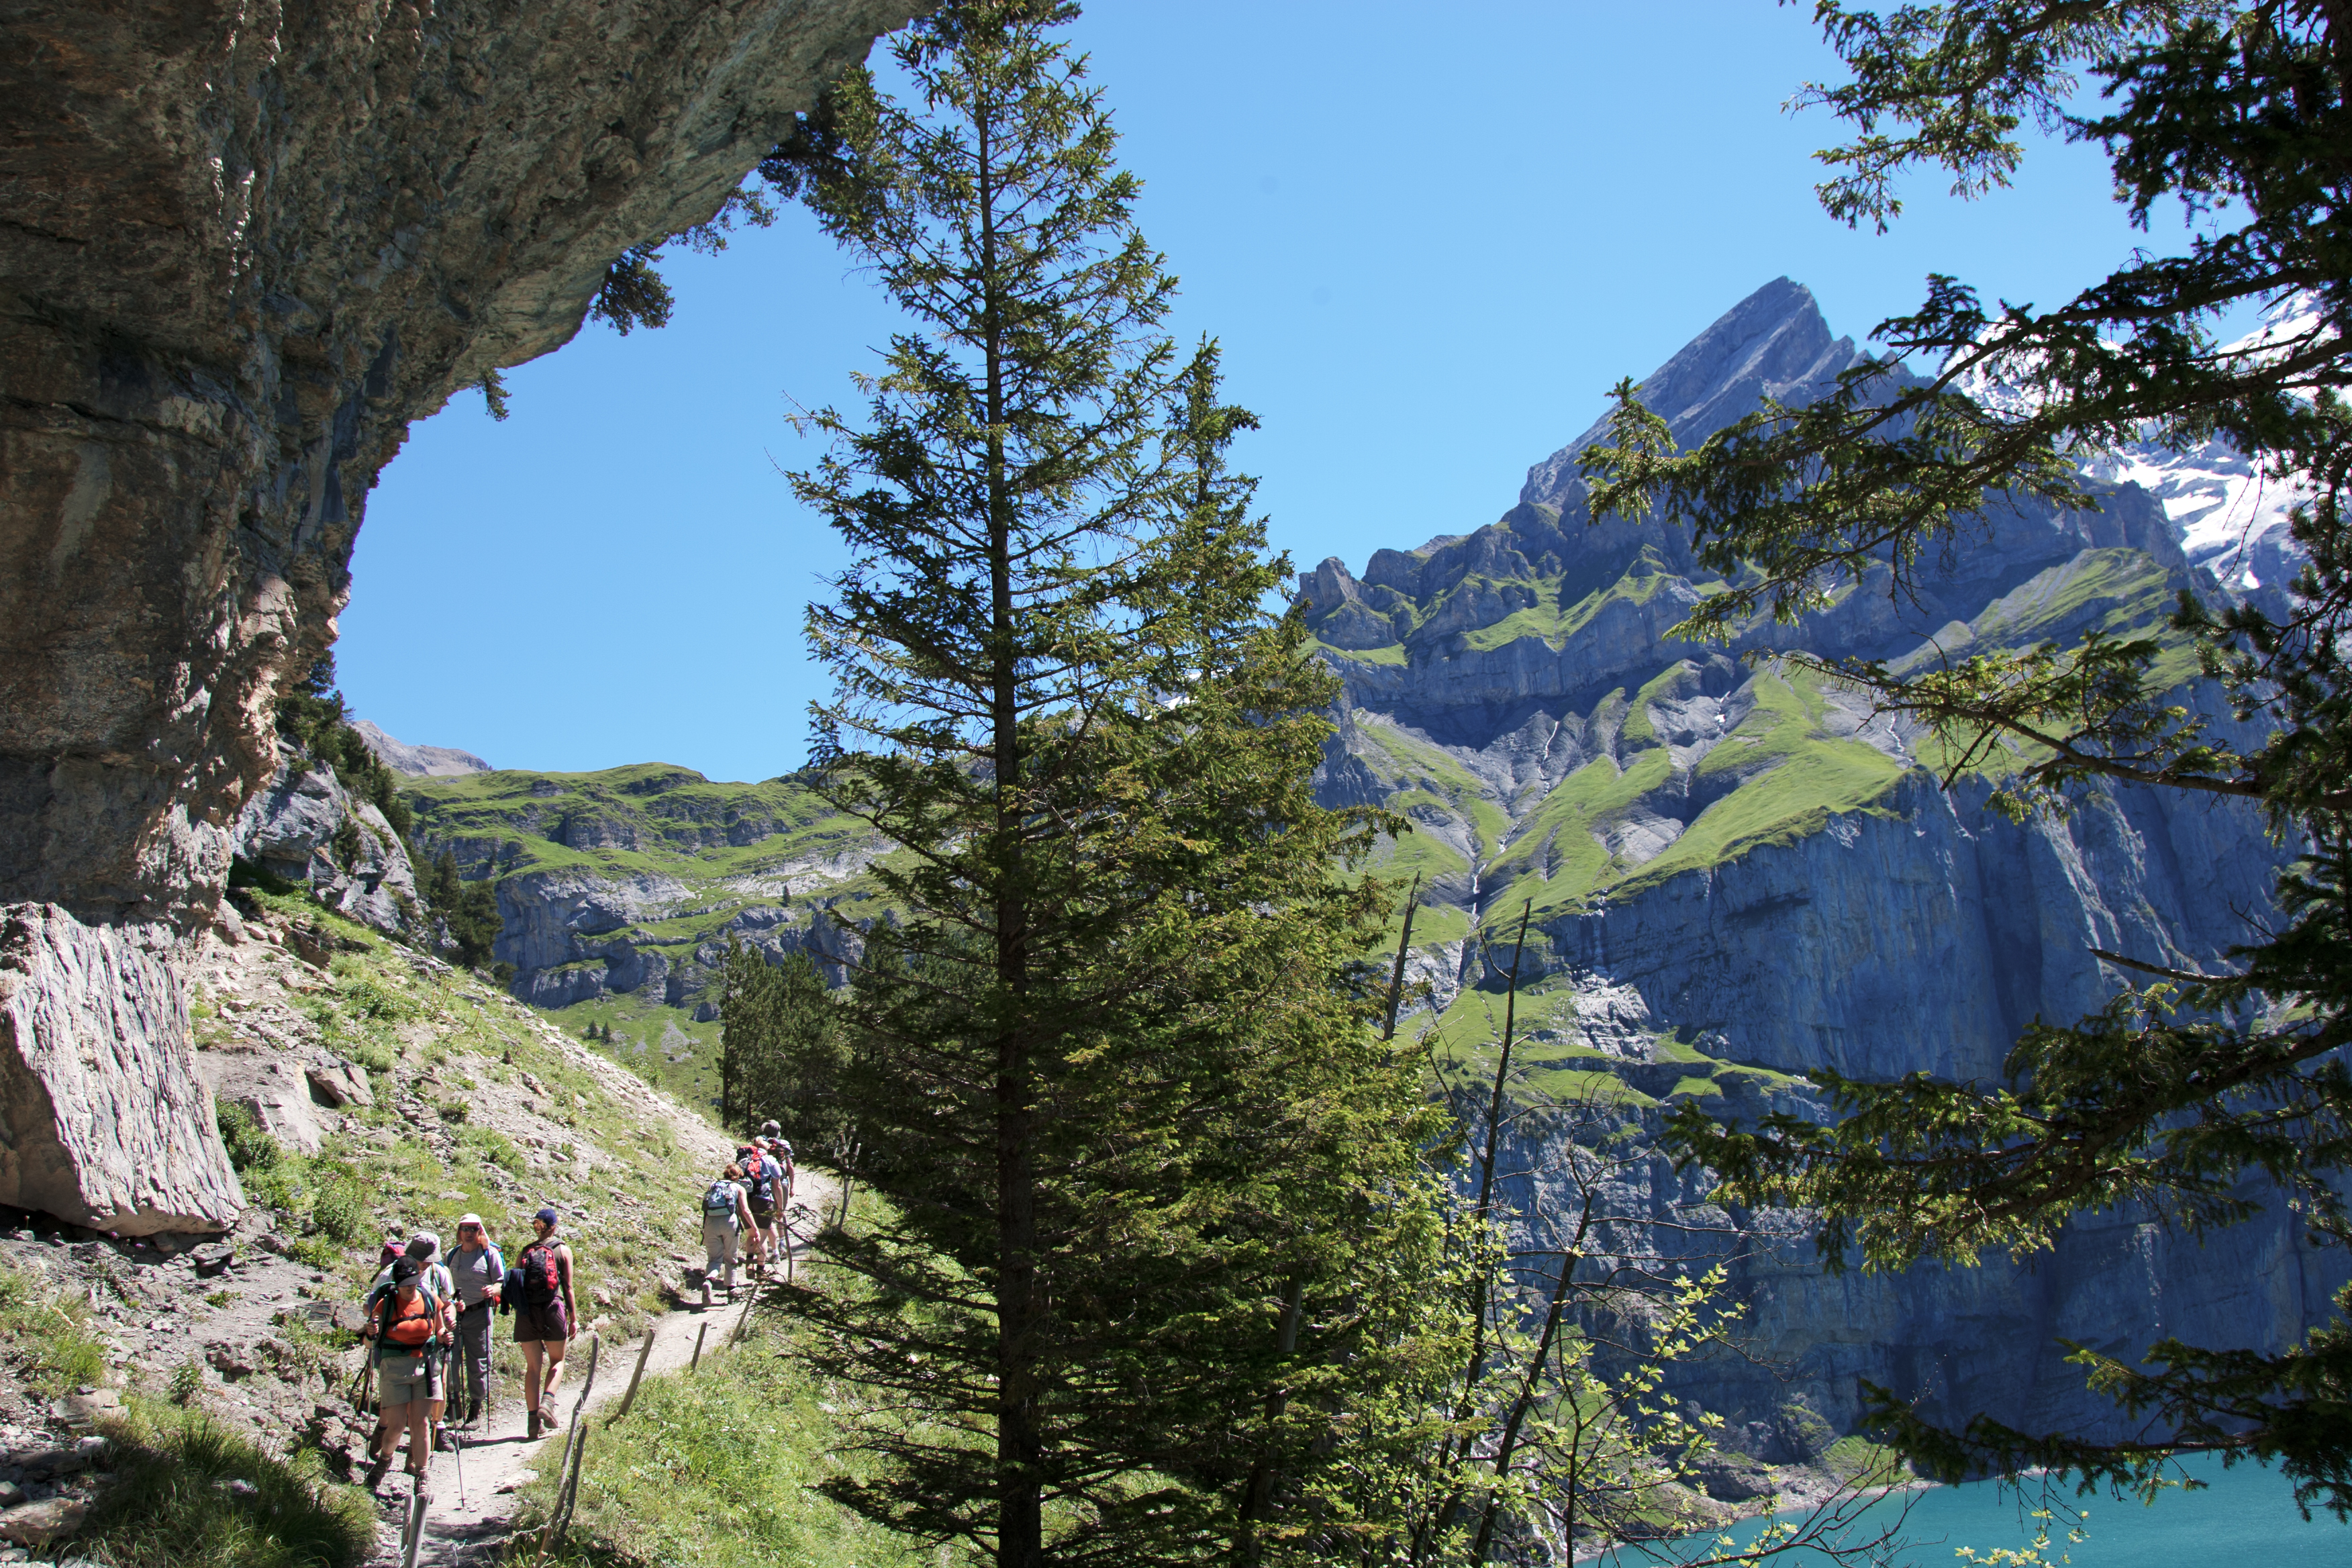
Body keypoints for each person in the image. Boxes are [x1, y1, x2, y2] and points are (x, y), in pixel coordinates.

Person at [359, 1258, 444, 1493]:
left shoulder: (429, 1299)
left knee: (421, 1423)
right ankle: (385, 1460)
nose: (410, 1286)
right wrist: (370, 1333)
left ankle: (422, 1475)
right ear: (397, 1282)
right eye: (405, 1283)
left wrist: (444, 1336)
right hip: (395, 1369)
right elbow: (369, 1344)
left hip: (425, 1367)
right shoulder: (385, 1305)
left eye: (413, 1281)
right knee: (396, 1426)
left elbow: (439, 1330)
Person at [511, 1207, 577, 1439]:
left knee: (532, 1368)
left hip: (527, 1314)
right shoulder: (562, 1250)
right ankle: (547, 1402)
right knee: (557, 1360)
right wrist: (574, 1319)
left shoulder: (526, 1251)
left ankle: (532, 1424)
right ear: (555, 1226)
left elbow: (516, 1283)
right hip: (553, 1309)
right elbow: (568, 1287)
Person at [443, 1214, 504, 1428]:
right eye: (465, 1228)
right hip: (454, 1314)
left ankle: (475, 1409)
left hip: (479, 1313)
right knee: (450, 1359)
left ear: (480, 1232)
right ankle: (454, 1404)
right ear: (459, 1232)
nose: (469, 1233)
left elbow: (501, 1282)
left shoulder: (490, 1254)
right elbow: (444, 1286)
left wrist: (493, 1289)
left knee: (478, 1362)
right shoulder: (451, 1255)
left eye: (474, 1229)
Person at [697, 1163, 756, 1308]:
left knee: (714, 1258)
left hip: (711, 1223)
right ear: (739, 1176)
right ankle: (732, 1292)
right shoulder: (738, 1188)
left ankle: (709, 1281)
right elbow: (745, 1211)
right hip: (729, 1223)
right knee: (731, 1257)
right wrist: (754, 1229)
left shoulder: (713, 1185)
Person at [738, 1142, 777, 1273]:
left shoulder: (745, 1160)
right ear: (766, 1149)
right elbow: (777, 1180)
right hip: (763, 1199)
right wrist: (780, 1207)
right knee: (763, 1236)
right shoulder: (769, 1160)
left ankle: (749, 1263)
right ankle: (760, 1269)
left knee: (751, 1234)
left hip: (746, 1199)